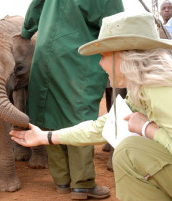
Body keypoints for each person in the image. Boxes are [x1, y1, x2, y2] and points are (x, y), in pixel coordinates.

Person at [11, 12, 172, 201]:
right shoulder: (147, 87)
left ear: (125, 55)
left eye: (104, 55)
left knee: (129, 152)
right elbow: (104, 127)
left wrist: (149, 130)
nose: (100, 64)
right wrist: (47, 137)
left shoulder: (162, 87)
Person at [20, 0, 124, 200]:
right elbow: (116, 24)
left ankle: (62, 181)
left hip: (46, 55)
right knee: (80, 116)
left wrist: (26, 32)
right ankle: (82, 185)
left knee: (51, 114)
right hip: (77, 58)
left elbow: (35, 8)